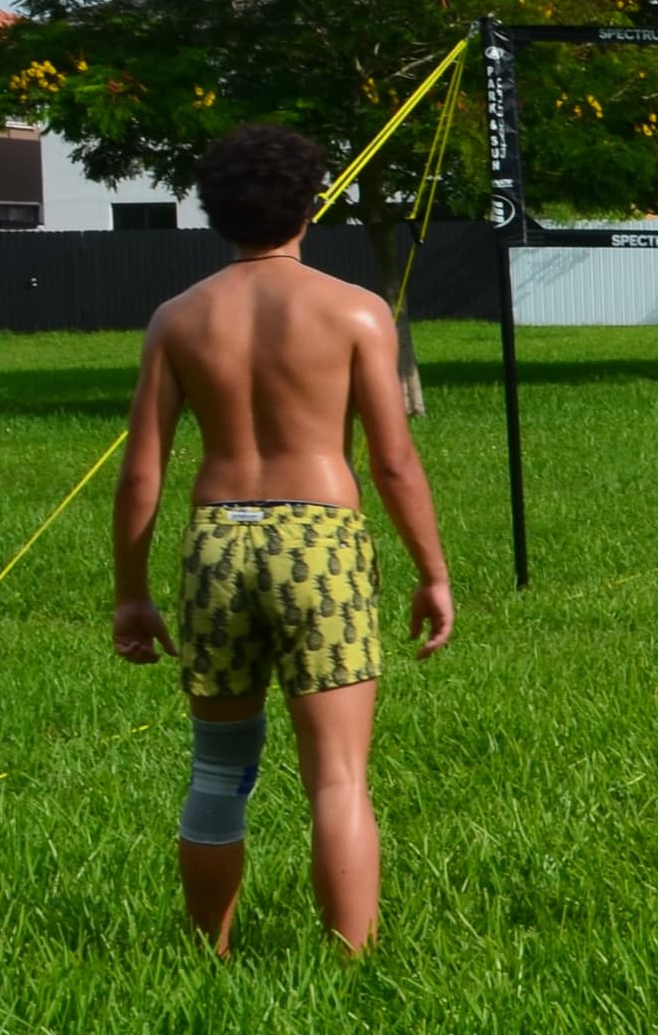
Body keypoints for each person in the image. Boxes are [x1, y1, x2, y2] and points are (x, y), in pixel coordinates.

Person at [111, 121, 453, 959]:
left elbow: (140, 475)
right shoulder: (354, 312)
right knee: (337, 777)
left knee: (218, 768)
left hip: (216, 542)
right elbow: (394, 463)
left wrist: (131, 589)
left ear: (214, 211)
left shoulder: (177, 318)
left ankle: (206, 954)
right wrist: (432, 571)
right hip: (321, 540)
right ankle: (351, 963)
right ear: (309, 205)